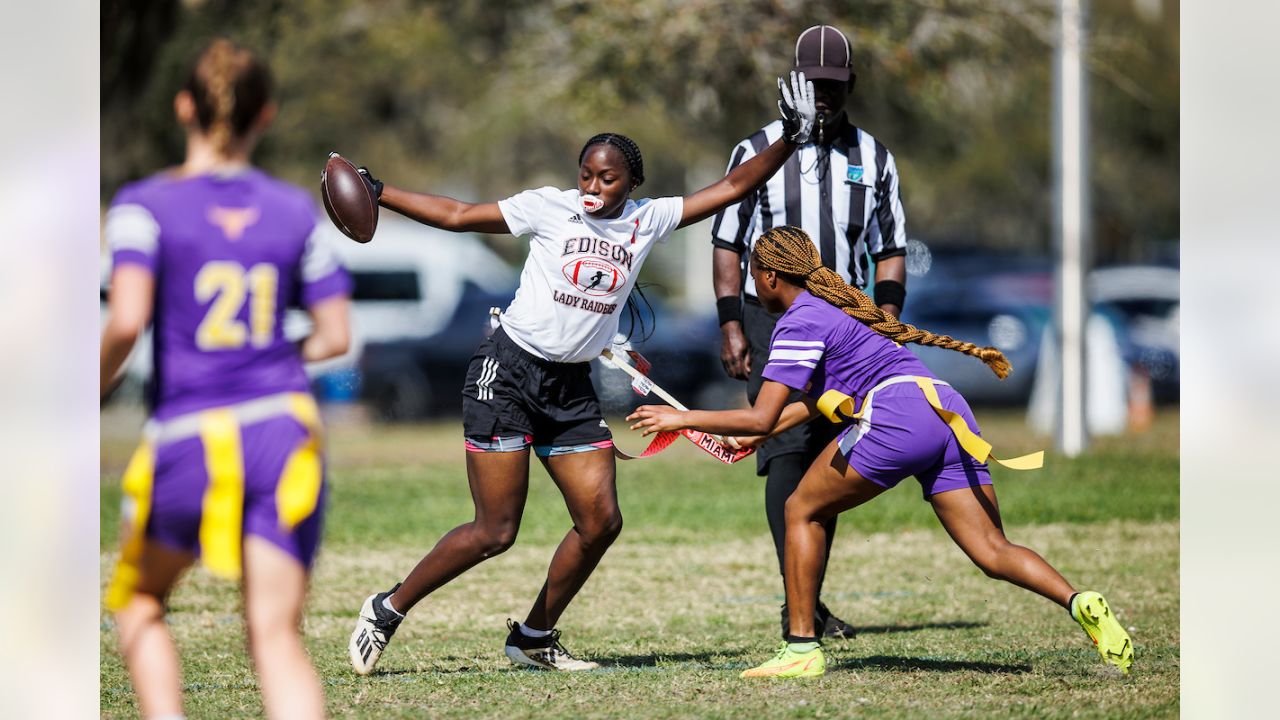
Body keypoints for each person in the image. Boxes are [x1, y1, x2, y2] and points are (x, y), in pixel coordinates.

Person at [344, 73, 819, 675]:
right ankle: (387, 608)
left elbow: (730, 187)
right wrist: (380, 191)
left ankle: (535, 636)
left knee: (601, 521)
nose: (593, 187)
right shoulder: (549, 207)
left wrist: (790, 140)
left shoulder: (647, 220)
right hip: (507, 372)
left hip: (570, 387)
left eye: (608, 177)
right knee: (496, 530)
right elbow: (460, 214)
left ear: (633, 184)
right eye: (587, 174)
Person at [628, 226, 1134, 679]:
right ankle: (1079, 601)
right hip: (946, 411)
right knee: (993, 550)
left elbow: (761, 413)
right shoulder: (839, 307)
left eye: (753, 275)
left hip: (897, 415)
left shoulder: (798, 320)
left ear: (771, 276)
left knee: (800, 509)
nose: (752, 286)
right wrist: (757, 436)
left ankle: (801, 647)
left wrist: (683, 417)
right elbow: (807, 403)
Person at [101, 39, 352, 719]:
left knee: (142, 603)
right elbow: (335, 336)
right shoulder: (297, 211)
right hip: (284, 430)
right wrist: (267, 362)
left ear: (183, 106)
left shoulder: (142, 205)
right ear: (264, 115)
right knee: (275, 635)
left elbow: (126, 322)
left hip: (190, 428)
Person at [709, 24, 910, 640]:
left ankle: (808, 603)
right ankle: (802, 610)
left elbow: (891, 249)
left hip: (846, 323)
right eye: (813, 84)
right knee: (783, 451)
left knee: (830, 455)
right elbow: (725, 243)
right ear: (790, 83)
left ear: (851, 86)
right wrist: (731, 322)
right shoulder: (756, 151)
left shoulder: (874, 157)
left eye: (834, 86)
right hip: (773, 319)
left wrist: (888, 318)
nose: (823, 96)